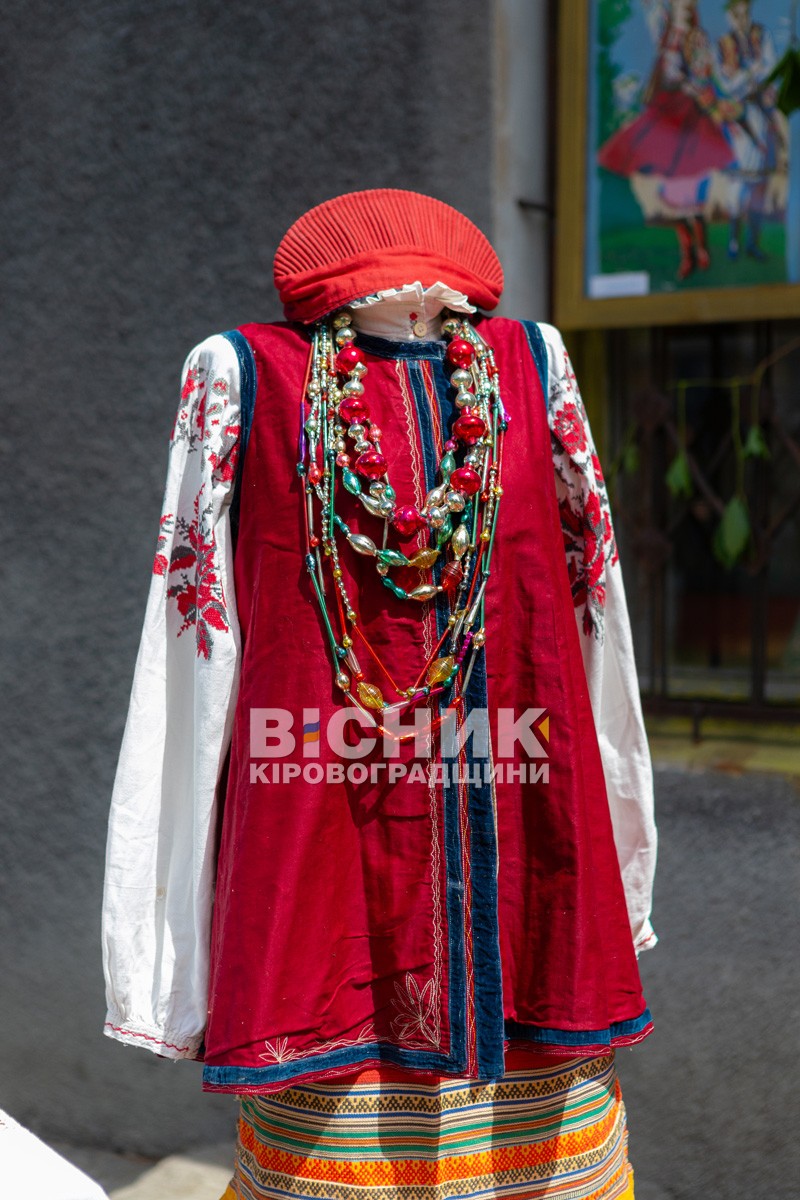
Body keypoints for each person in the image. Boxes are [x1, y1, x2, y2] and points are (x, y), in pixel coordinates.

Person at [102, 189, 657, 1200]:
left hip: (525, 818)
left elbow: (594, 613)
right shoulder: (239, 375)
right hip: (314, 817)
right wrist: (167, 933)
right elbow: (188, 649)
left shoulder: (531, 365)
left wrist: (617, 854)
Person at [598, 0, 737, 279]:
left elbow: (700, 72)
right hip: (668, 116)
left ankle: (702, 249)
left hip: (688, 119)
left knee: (691, 189)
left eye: (686, 9)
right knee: (673, 198)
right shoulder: (666, 35)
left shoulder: (695, 40)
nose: (682, 12)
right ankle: (688, 253)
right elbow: (669, 68)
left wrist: (698, 89)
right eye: (678, 8)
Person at [716, 0, 782, 260]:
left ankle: (753, 244)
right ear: (730, 17)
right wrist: (749, 75)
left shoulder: (761, 35)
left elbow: (771, 68)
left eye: (745, 13)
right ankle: (733, 242)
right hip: (739, 121)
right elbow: (727, 85)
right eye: (737, 15)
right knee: (738, 184)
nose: (742, 19)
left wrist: (754, 76)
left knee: (760, 185)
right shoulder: (723, 45)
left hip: (761, 115)